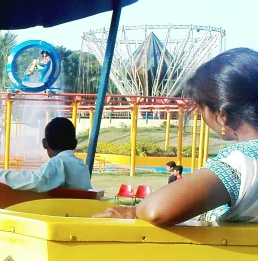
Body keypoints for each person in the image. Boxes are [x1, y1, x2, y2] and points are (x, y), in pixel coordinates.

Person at [95, 48, 258, 226]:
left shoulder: (243, 161)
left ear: (221, 116)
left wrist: (133, 212)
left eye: (201, 109)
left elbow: (156, 210)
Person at [0, 117, 91, 192]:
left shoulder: (58, 163)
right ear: (75, 143)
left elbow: (31, 181)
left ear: (44, 143)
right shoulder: (82, 167)